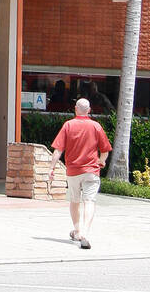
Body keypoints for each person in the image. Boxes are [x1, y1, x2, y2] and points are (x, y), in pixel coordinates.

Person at [47, 98, 111, 249]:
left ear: (75, 109)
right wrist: (101, 161)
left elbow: (58, 150)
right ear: (89, 110)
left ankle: (77, 231)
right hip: (91, 171)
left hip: (73, 171)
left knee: (75, 201)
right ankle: (85, 234)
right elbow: (105, 150)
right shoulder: (96, 126)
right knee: (89, 201)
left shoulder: (68, 125)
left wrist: (51, 168)